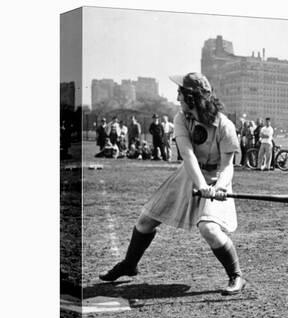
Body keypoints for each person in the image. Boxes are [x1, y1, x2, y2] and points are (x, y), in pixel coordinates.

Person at [100, 72, 246, 295]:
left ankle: (236, 276)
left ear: (192, 98)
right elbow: (188, 156)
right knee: (145, 221)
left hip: (216, 178)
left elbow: (228, 166)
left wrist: (220, 187)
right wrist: (200, 185)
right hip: (189, 174)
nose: (177, 97)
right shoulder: (181, 119)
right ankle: (130, 264)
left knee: (209, 229)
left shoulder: (225, 126)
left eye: (180, 93)